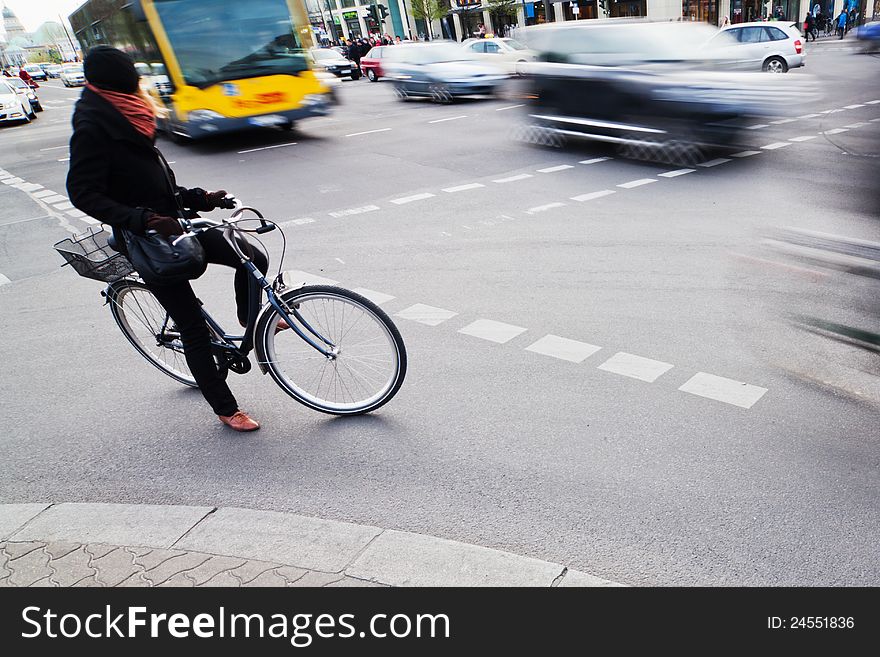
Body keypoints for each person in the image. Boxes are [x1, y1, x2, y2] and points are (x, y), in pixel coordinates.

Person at [66, 46, 272, 433]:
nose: (137, 79)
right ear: (116, 78)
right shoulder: (93, 124)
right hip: (148, 240)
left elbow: (154, 180)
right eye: (129, 72)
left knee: (251, 256)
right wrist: (142, 219)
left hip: (176, 222)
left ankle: (250, 319)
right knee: (192, 326)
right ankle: (226, 409)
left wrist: (201, 198)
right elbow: (82, 191)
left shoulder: (131, 112)